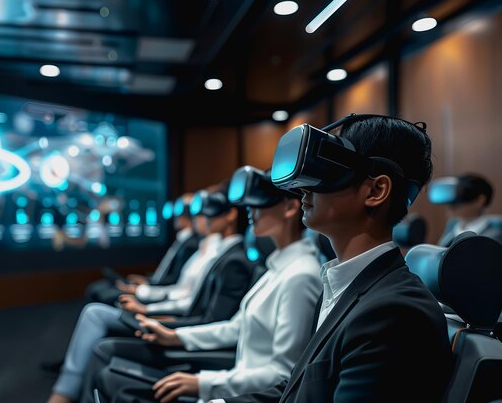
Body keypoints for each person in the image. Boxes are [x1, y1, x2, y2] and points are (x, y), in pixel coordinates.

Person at [211, 114, 453, 403]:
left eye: (328, 171)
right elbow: (302, 389)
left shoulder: (394, 313)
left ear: (376, 191)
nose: (304, 188)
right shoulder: (343, 287)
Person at [91, 166, 322, 403]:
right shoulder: (277, 267)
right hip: (233, 383)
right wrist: (175, 336)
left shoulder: (300, 276)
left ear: (291, 207)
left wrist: (205, 383)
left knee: (115, 382)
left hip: (243, 394)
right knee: (113, 378)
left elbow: (284, 375)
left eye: (260, 201)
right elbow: (234, 327)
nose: (250, 210)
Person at [47, 185, 251, 403]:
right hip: (180, 322)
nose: (201, 218)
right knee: (98, 313)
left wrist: (158, 316)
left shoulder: (230, 258)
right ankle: (67, 385)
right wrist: (147, 300)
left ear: (230, 215)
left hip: (186, 329)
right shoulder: (215, 251)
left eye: (207, 211)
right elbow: (186, 297)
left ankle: (64, 392)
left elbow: (207, 315)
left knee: (97, 320)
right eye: (199, 212)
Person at [85, 194, 201, 305]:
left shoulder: (191, 244)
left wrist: (144, 286)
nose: (175, 215)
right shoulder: (182, 240)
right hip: (153, 285)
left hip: (158, 292)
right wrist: (146, 280)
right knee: (97, 288)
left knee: (99, 292)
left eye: (180, 210)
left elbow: (175, 282)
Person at [429, 173, 501, 245]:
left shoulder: (493, 235)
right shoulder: (453, 225)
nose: (451, 207)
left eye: (457, 202)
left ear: (480, 200)